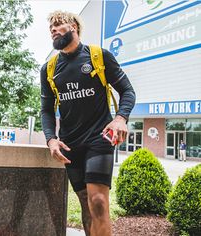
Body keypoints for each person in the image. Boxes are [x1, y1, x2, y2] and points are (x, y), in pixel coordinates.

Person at [41, 10, 136, 236]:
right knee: (85, 204)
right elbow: (46, 110)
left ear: (74, 26)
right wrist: (51, 139)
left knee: (99, 201)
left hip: (99, 137)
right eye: (50, 28)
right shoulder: (49, 69)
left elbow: (128, 91)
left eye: (58, 25)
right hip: (70, 144)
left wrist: (120, 118)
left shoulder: (98, 56)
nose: (53, 30)